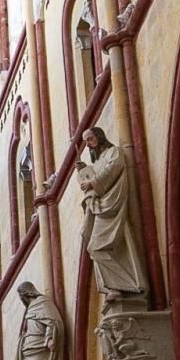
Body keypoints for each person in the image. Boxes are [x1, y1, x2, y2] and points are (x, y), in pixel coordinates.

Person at [76, 126, 148, 299]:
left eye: (90, 139)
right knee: (92, 245)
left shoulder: (113, 152)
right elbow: (98, 172)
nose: (88, 145)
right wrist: (85, 171)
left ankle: (126, 284)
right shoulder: (99, 160)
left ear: (100, 137)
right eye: (85, 141)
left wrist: (92, 182)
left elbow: (115, 166)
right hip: (100, 207)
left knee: (96, 247)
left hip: (110, 206)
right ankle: (119, 285)